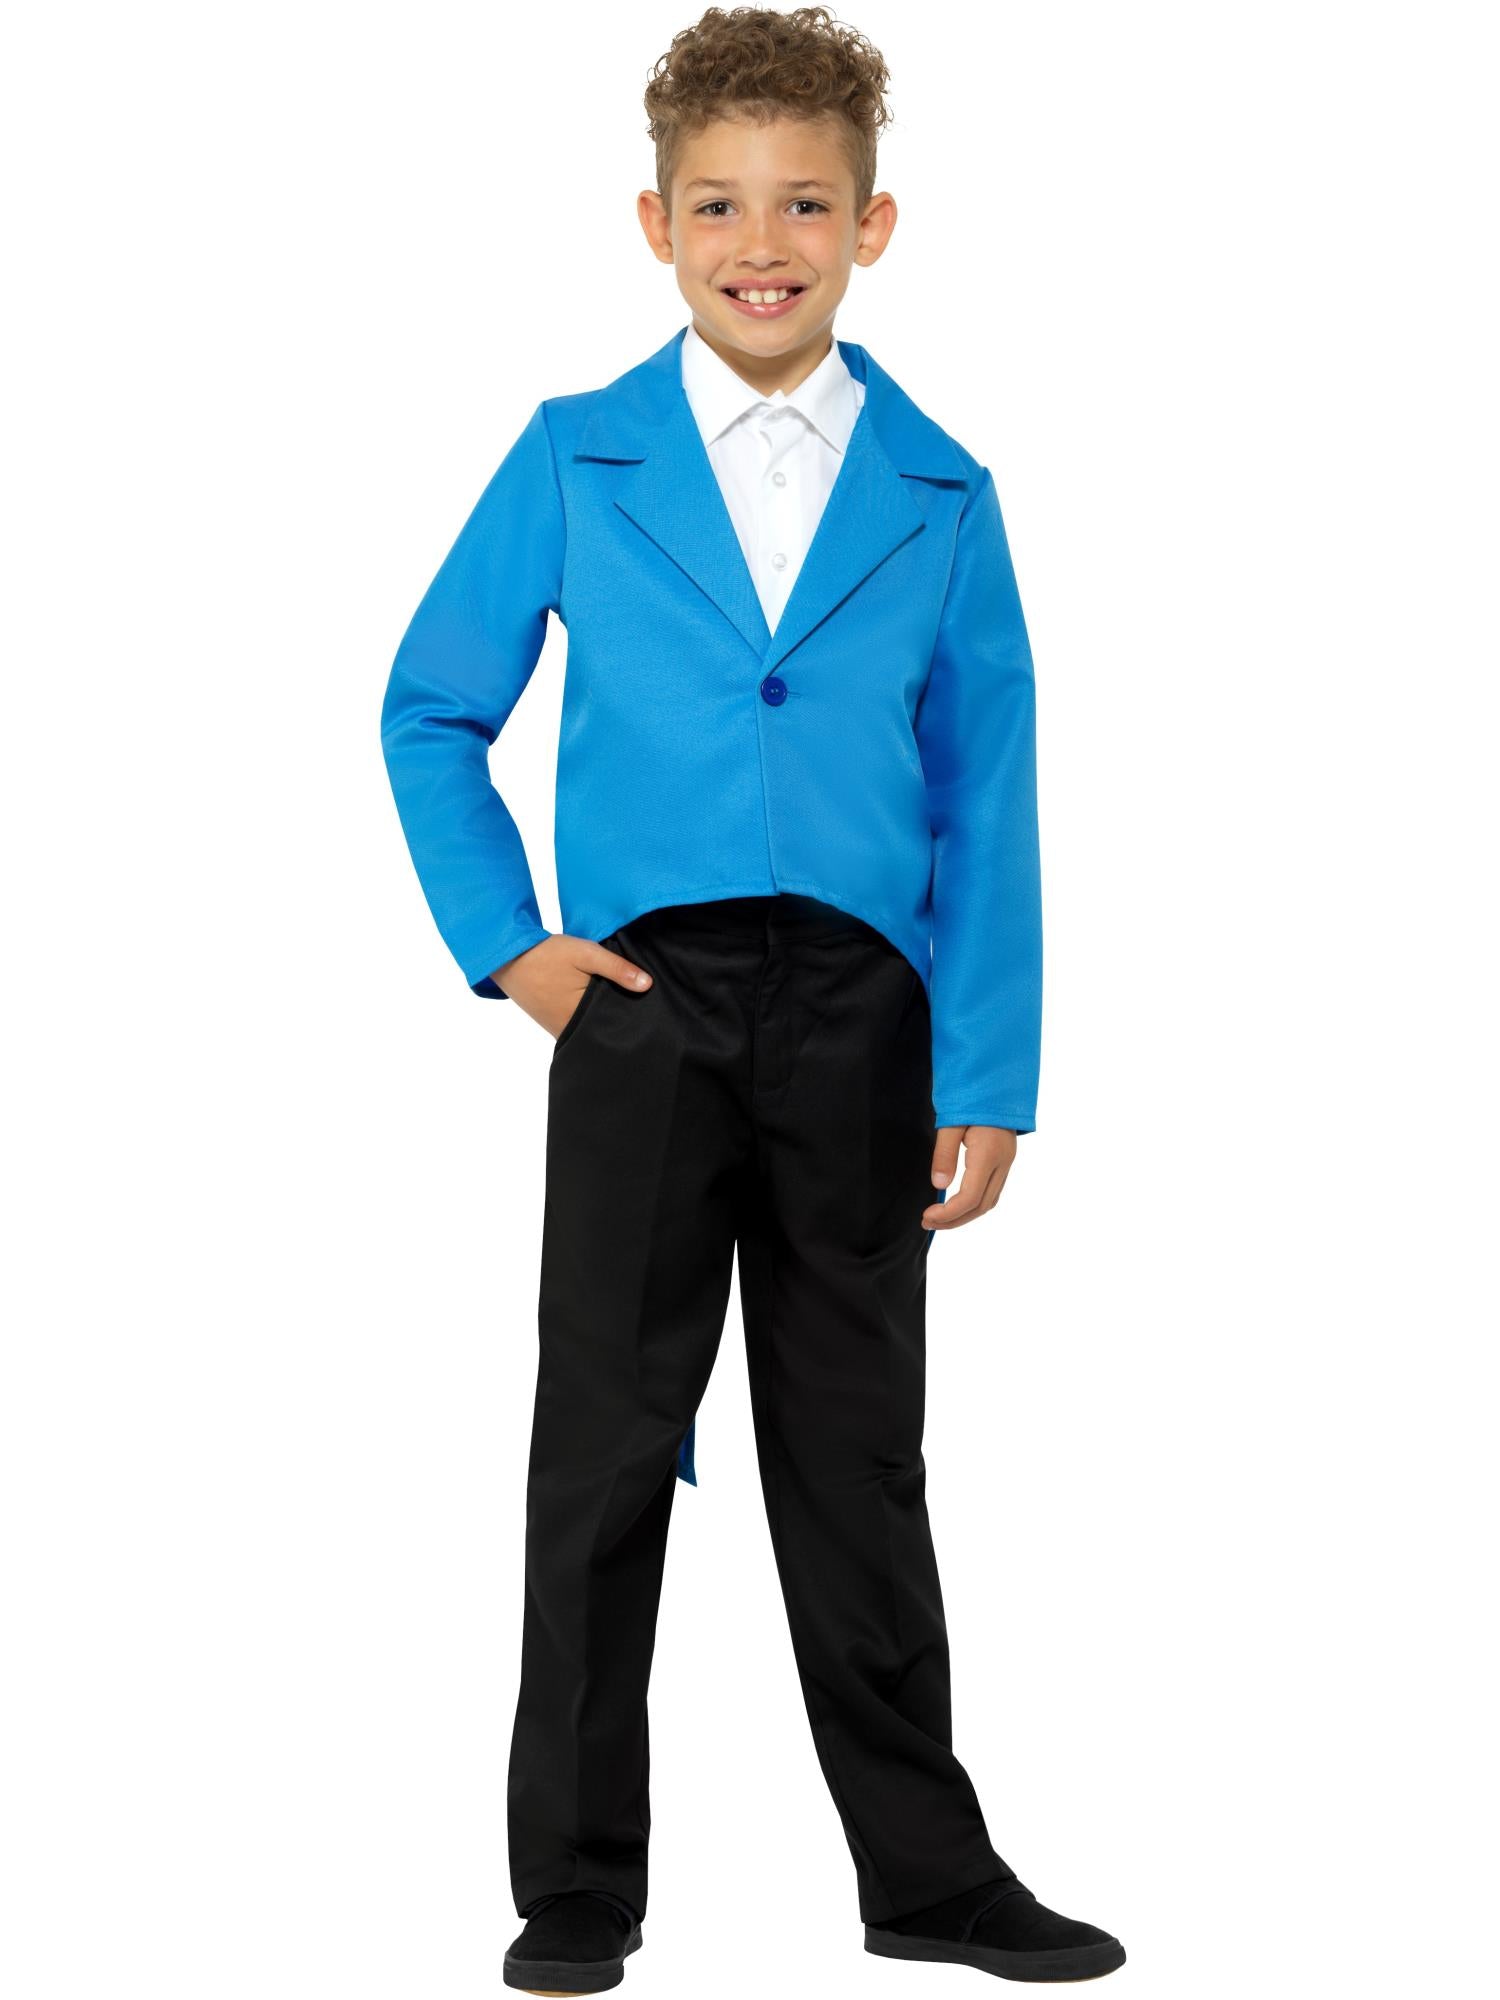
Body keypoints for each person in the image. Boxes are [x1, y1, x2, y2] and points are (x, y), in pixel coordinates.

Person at [380, 6, 1125, 1989]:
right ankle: (577, 1884)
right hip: (644, 1004)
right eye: (717, 205)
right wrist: (517, 948)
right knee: (606, 1441)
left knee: (859, 1453)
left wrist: (991, 1064)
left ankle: (928, 1878)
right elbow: (432, 706)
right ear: (655, 223)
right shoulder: (579, 452)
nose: (760, 242)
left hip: (867, 1021)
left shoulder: (943, 490)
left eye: (805, 204)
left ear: (873, 226)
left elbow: (986, 788)